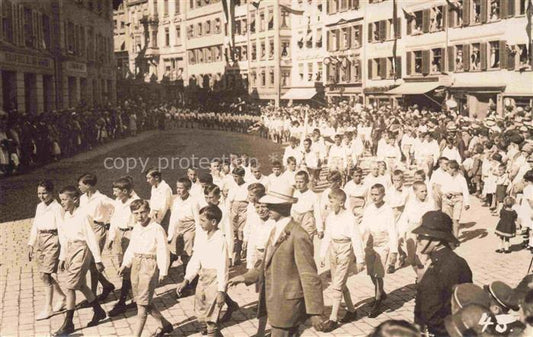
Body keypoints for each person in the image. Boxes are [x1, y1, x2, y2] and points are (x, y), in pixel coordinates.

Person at [228, 183, 326, 336]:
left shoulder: (298, 235)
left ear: (282, 207)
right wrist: (245, 277)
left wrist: (314, 311)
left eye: (270, 205)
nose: (266, 208)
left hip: (288, 305)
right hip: (274, 301)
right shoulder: (275, 229)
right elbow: (266, 263)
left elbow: (309, 275)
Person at [53, 186, 107, 336]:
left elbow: (91, 238)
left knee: (70, 287)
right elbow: (64, 238)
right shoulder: (67, 215)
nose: (61, 202)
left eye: (64, 199)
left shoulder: (82, 215)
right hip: (71, 250)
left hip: (82, 250)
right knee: (81, 285)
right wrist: (62, 257)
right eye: (61, 199)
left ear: (75, 200)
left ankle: (68, 323)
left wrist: (98, 259)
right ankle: (98, 311)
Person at [413, 210, 473, 336]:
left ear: (436, 241)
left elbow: (430, 314)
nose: (418, 239)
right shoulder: (459, 261)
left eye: (423, 236)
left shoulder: (437, 268)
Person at [118, 199, 172, 337]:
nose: (140, 216)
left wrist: (163, 270)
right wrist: (125, 264)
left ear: (148, 212)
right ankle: (164, 324)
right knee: (143, 300)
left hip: (149, 265)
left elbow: (162, 250)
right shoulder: (136, 227)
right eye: (136, 213)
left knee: (141, 306)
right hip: (136, 264)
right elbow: (131, 248)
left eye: (142, 212)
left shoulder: (156, 229)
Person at [176, 205, 229, 336]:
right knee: (201, 314)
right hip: (203, 278)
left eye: (203, 221)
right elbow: (195, 260)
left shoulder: (220, 240)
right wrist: (186, 280)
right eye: (199, 220)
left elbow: (223, 267)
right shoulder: (202, 237)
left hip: (215, 280)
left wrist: (222, 291)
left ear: (214, 222)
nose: (200, 224)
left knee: (212, 320)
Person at [319, 188, 365, 331]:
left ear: (341, 202)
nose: (329, 204)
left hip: (346, 249)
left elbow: (356, 238)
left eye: (332, 201)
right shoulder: (331, 216)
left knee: (337, 285)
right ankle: (352, 311)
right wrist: (322, 254)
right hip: (334, 249)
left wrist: (360, 259)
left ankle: (333, 319)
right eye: (329, 201)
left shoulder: (349, 217)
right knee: (339, 282)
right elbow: (327, 235)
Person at [28, 180, 66, 320]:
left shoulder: (57, 208)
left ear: (51, 192)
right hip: (41, 240)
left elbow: (62, 229)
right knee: (43, 274)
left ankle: (48, 308)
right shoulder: (39, 207)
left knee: (46, 274)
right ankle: (62, 297)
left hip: (53, 239)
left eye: (44, 193)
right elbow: (35, 225)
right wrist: (31, 243)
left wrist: (63, 253)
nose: (41, 196)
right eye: (39, 193)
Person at [360, 183, 398, 318]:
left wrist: (394, 249)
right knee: (370, 272)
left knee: (378, 273)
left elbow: (393, 230)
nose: (374, 197)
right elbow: (364, 225)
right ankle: (381, 293)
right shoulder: (369, 209)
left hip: (383, 243)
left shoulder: (388, 210)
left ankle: (377, 301)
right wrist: (359, 237)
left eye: (377, 194)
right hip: (370, 242)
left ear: (383, 195)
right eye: (372, 194)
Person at [77, 173, 115, 301]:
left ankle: (92, 295)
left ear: (88, 185)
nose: (79, 187)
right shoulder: (82, 198)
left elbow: (117, 207)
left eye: (80, 185)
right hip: (85, 230)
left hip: (98, 229)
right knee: (88, 262)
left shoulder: (101, 198)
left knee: (93, 262)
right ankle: (106, 285)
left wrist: (110, 222)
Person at [106, 178, 137, 316]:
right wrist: (111, 238)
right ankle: (132, 297)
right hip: (119, 233)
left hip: (131, 234)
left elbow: (139, 223)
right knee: (122, 266)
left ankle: (122, 301)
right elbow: (114, 220)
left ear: (124, 191)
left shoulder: (135, 203)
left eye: (116, 190)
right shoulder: (118, 202)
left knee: (128, 267)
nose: (113, 193)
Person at [168, 177, 200, 277]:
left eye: (181, 188)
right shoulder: (176, 200)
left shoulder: (193, 202)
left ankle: (188, 276)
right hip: (178, 227)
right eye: (177, 188)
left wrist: (198, 237)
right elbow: (173, 218)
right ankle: (164, 271)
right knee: (172, 250)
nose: (178, 190)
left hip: (190, 228)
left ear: (188, 189)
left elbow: (197, 220)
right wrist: (170, 234)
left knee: (187, 254)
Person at [440, 160, 470, 239]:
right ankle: (449, 236)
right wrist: (446, 192)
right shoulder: (445, 176)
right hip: (447, 199)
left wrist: (467, 203)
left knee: (456, 220)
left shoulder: (461, 178)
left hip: (458, 199)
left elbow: (465, 191)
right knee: (448, 219)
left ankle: (455, 238)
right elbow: (442, 187)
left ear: (453, 169)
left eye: (449, 169)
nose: (447, 170)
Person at [292, 170, 323, 239]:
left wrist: (320, 229)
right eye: (296, 182)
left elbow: (317, 213)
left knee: (307, 242)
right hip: (296, 220)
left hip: (308, 220)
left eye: (301, 182)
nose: (298, 184)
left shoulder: (313, 195)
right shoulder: (294, 193)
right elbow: (292, 209)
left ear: (307, 182)